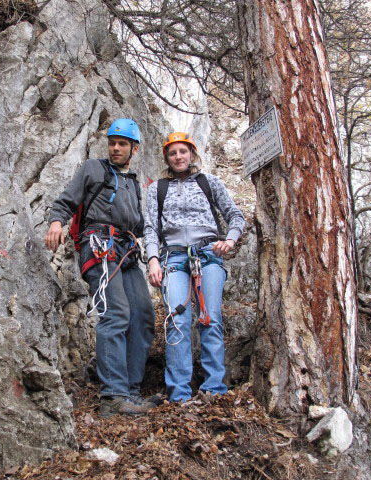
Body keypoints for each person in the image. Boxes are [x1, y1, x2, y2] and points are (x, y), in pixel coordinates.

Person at [45, 119, 157, 417]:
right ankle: (113, 396)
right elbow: (67, 200)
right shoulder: (93, 169)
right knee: (115, 313)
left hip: (128, 251)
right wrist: (57, 222)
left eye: (122, 144)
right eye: (112, 142)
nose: (116, 148)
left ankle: (131, 391)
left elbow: (140, 225)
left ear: (134, 148)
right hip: (100, 246)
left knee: (143, 315)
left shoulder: (132, 181)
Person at [144, 132, 245, 402]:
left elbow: (235, 215)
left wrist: (230, 240)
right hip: (173, 258)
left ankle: (214, 388)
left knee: (210, 318)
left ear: (192, 154)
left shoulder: (210, 182)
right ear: (166, 157)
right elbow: (151, 227)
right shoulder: (157, 189)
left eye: (183, 151)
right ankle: (179, 393)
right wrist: (153, 259)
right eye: (173, 153)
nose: (178, 157)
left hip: (208, 254)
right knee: (177, 320)